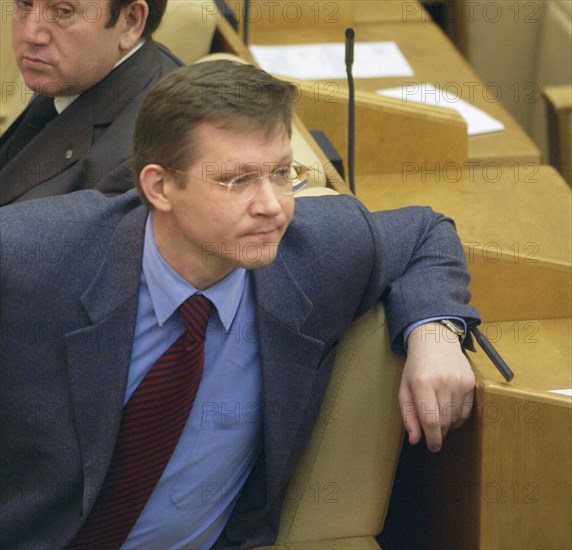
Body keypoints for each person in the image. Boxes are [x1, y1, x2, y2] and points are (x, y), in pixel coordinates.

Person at [0, 60, 480, 549]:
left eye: (280, 173)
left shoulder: (313, 254)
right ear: (159, 187)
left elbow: (426, 234)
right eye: (237, 180)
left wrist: (436, 333)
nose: (271, 205)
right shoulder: (31, 257)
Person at [0, 0, 182, 205]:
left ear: (130, 21)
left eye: (63, 11)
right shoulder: (77, 71)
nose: (30, 34)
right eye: (24, 4)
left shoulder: (139, 166)